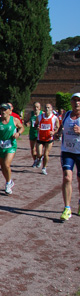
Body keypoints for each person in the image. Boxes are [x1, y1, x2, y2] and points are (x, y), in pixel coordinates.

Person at [56, 93, 80, 221]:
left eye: (79, 101)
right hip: (67, 151)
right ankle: (67, 208)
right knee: (67, 177)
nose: (77, 103)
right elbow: (62, 127)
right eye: (74, 100)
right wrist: (57, 133)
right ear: (71, 102)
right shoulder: (67, 115)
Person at [0, 103, 25, 195]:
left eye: (5, 110)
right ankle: (9, 181)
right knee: (2, 167)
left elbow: (22, 128)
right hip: (1, 146)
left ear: (10, 111)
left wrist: (18, 133)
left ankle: (8, 183)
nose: (3, 112)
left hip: (11, 146)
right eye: (1, 110)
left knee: (6, 164)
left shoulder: (14, 120)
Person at [36, 103, 59, 175]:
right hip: (40, 138)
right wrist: (37, 127)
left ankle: (44, 168)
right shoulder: (40, 116)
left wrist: (54, 132)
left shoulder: (54, 118)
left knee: (46, 154)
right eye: (46, 107)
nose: (47, 109)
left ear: (51, 109)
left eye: (48, 108)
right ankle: (39, 159)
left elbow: (57, 126)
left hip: (49, 138)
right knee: (39, 153)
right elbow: (36, 124)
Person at [25, 102, 43, 168]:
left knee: (39, 149)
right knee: (32, 148)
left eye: (37, 107)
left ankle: (40, 158)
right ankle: (35, 160)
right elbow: (26, 121)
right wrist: (27, 123)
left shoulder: (42, 114)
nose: (36, 108)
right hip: (32, 132)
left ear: (40, 107)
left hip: (40, 133)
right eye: (35, 107)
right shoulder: (30, 114)